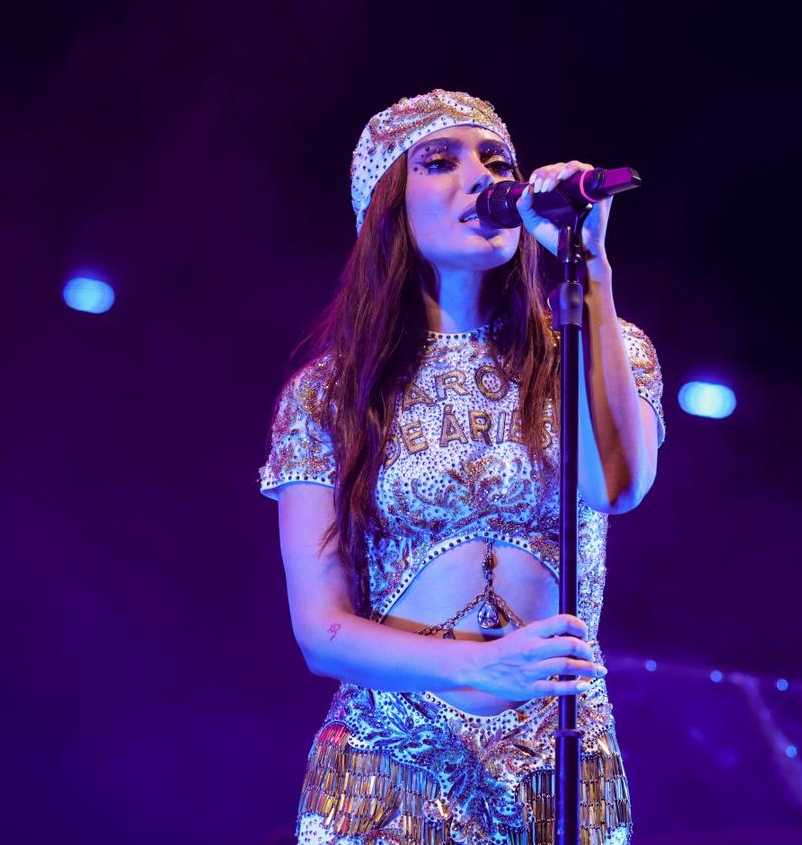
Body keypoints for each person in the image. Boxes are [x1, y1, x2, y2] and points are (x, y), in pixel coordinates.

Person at [260, 89, 664, 844]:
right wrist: (482, 667)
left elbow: (615, 485)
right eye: (441, 162)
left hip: (558, 764)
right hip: (387, 767)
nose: (482, 178)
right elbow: (321, 631)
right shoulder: (329, 393)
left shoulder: (599, 346)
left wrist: (589, 264)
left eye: (497, 161)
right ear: (387, 207)